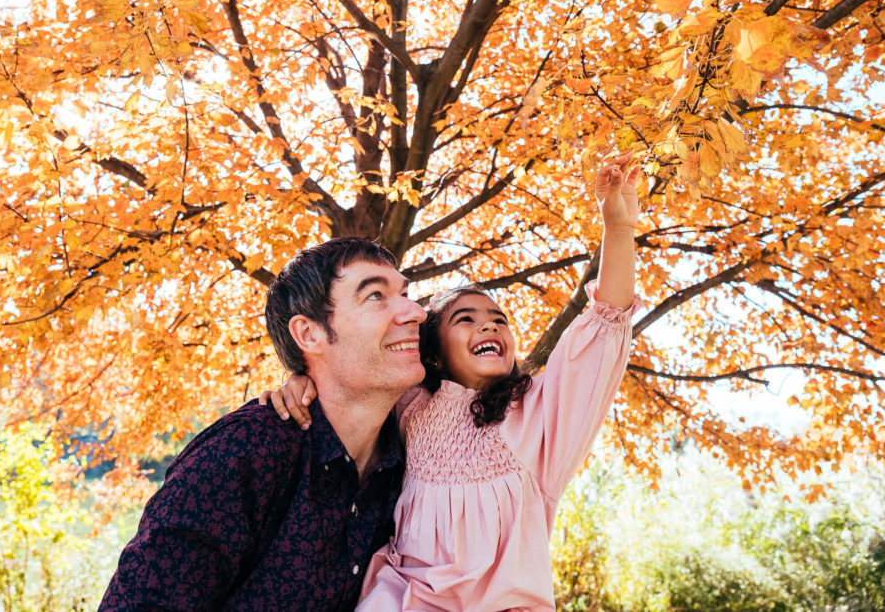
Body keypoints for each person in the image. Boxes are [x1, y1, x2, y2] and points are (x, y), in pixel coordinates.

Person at [264, 157, 643, 609]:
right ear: (434, 352)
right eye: (466, 319)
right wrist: (298, 379)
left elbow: (604, 327)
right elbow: (352, 368)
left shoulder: (541, 419)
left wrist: (618, 228)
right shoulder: (411, 405)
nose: (489, 328)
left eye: (499, 320)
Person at [99, 237, 427, 610]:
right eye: (375, 296)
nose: (416, 311)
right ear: (308, 334)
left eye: (405, 293)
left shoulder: (421, 460)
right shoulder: (245, 451)